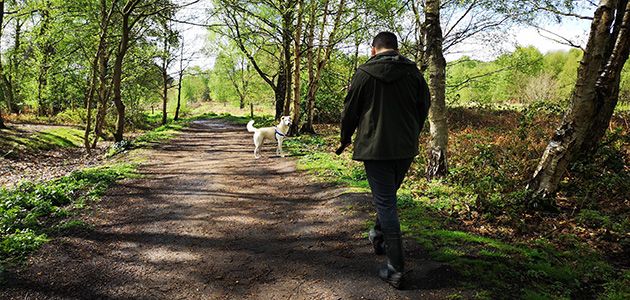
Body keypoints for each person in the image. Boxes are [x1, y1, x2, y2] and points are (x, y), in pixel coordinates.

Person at [337, 31, 431, 289]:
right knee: (387, 198)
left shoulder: (364, 74)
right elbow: (424, 106)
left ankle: (396, 268)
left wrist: (345, 138)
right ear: (396, 49)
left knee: (386, 203)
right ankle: (378, 235)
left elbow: (350, 111)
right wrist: (412, 133)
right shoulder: (413, 73)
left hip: (375, 149)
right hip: (404, 148)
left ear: (373, 49)